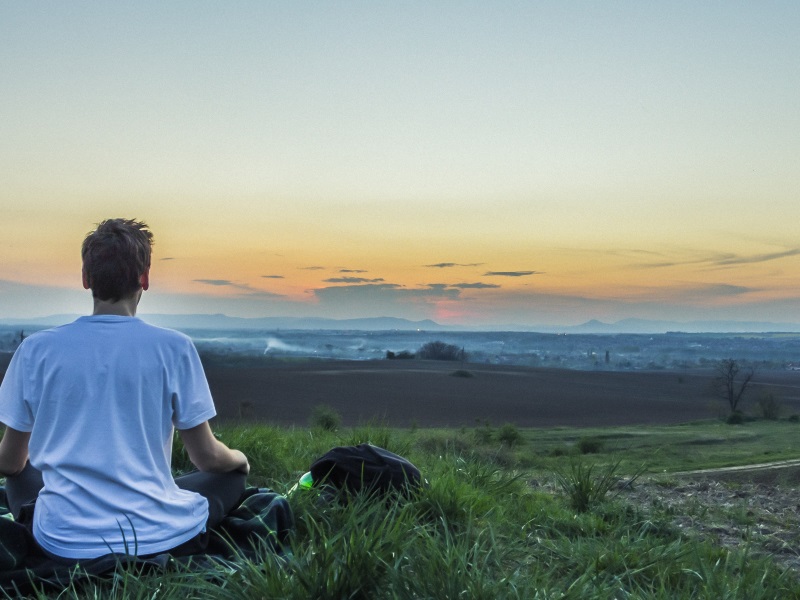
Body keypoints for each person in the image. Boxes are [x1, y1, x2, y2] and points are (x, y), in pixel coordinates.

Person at [0, 218, 250, 562]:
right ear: (144, 279)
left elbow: (10, 463)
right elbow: (206, 458)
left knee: (20, 475)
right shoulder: (174, 348)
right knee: (230, 478)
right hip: (157, 535)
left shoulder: (36, 350)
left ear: (86, 279)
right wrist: (241, 459)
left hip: (62, 539)